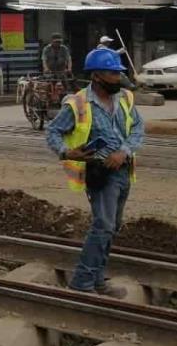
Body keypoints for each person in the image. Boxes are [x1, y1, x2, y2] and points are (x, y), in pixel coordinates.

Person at [46, 48, 145, 297]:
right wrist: (66, 152)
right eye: (113, 74)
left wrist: (123, 151)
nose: (119, 78)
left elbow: (138, 129)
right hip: (100, 173)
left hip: (123, 171)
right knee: (103, 225)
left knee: (112, 227)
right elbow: (53, 132)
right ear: (97, 76)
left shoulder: (124, 98)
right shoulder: (78, 103)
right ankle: (82, 280)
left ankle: (98, 280)